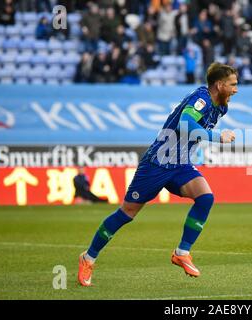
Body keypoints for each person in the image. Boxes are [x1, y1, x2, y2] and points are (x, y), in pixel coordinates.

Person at [77, 62, 238, 286]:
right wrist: (217, 137)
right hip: (157, 163)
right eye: (232, 84)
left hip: (181, 164)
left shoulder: (221, 106)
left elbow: (196, 131)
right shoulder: (201, 97)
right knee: (127, 213)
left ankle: (182, 252)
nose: (236, 89)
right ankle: (88, 258)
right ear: (219, 85)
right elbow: (185, 124)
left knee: (205, 197)